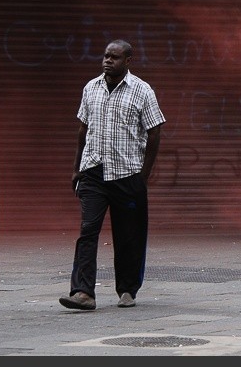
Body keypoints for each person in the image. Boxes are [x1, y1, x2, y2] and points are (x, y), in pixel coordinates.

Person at [59, 39, 166, 311]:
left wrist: (144, 174)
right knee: (88, 231)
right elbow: (83, 131)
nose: (108, 61)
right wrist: (76, 169)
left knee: (129, 234)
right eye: (105, 56)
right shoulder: (90, 88)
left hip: (127, 174)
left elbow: (154, 132)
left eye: (115, 57)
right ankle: (83, 292)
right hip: (94, 172)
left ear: (128, 61)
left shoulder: (142, 91)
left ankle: (127, 289)